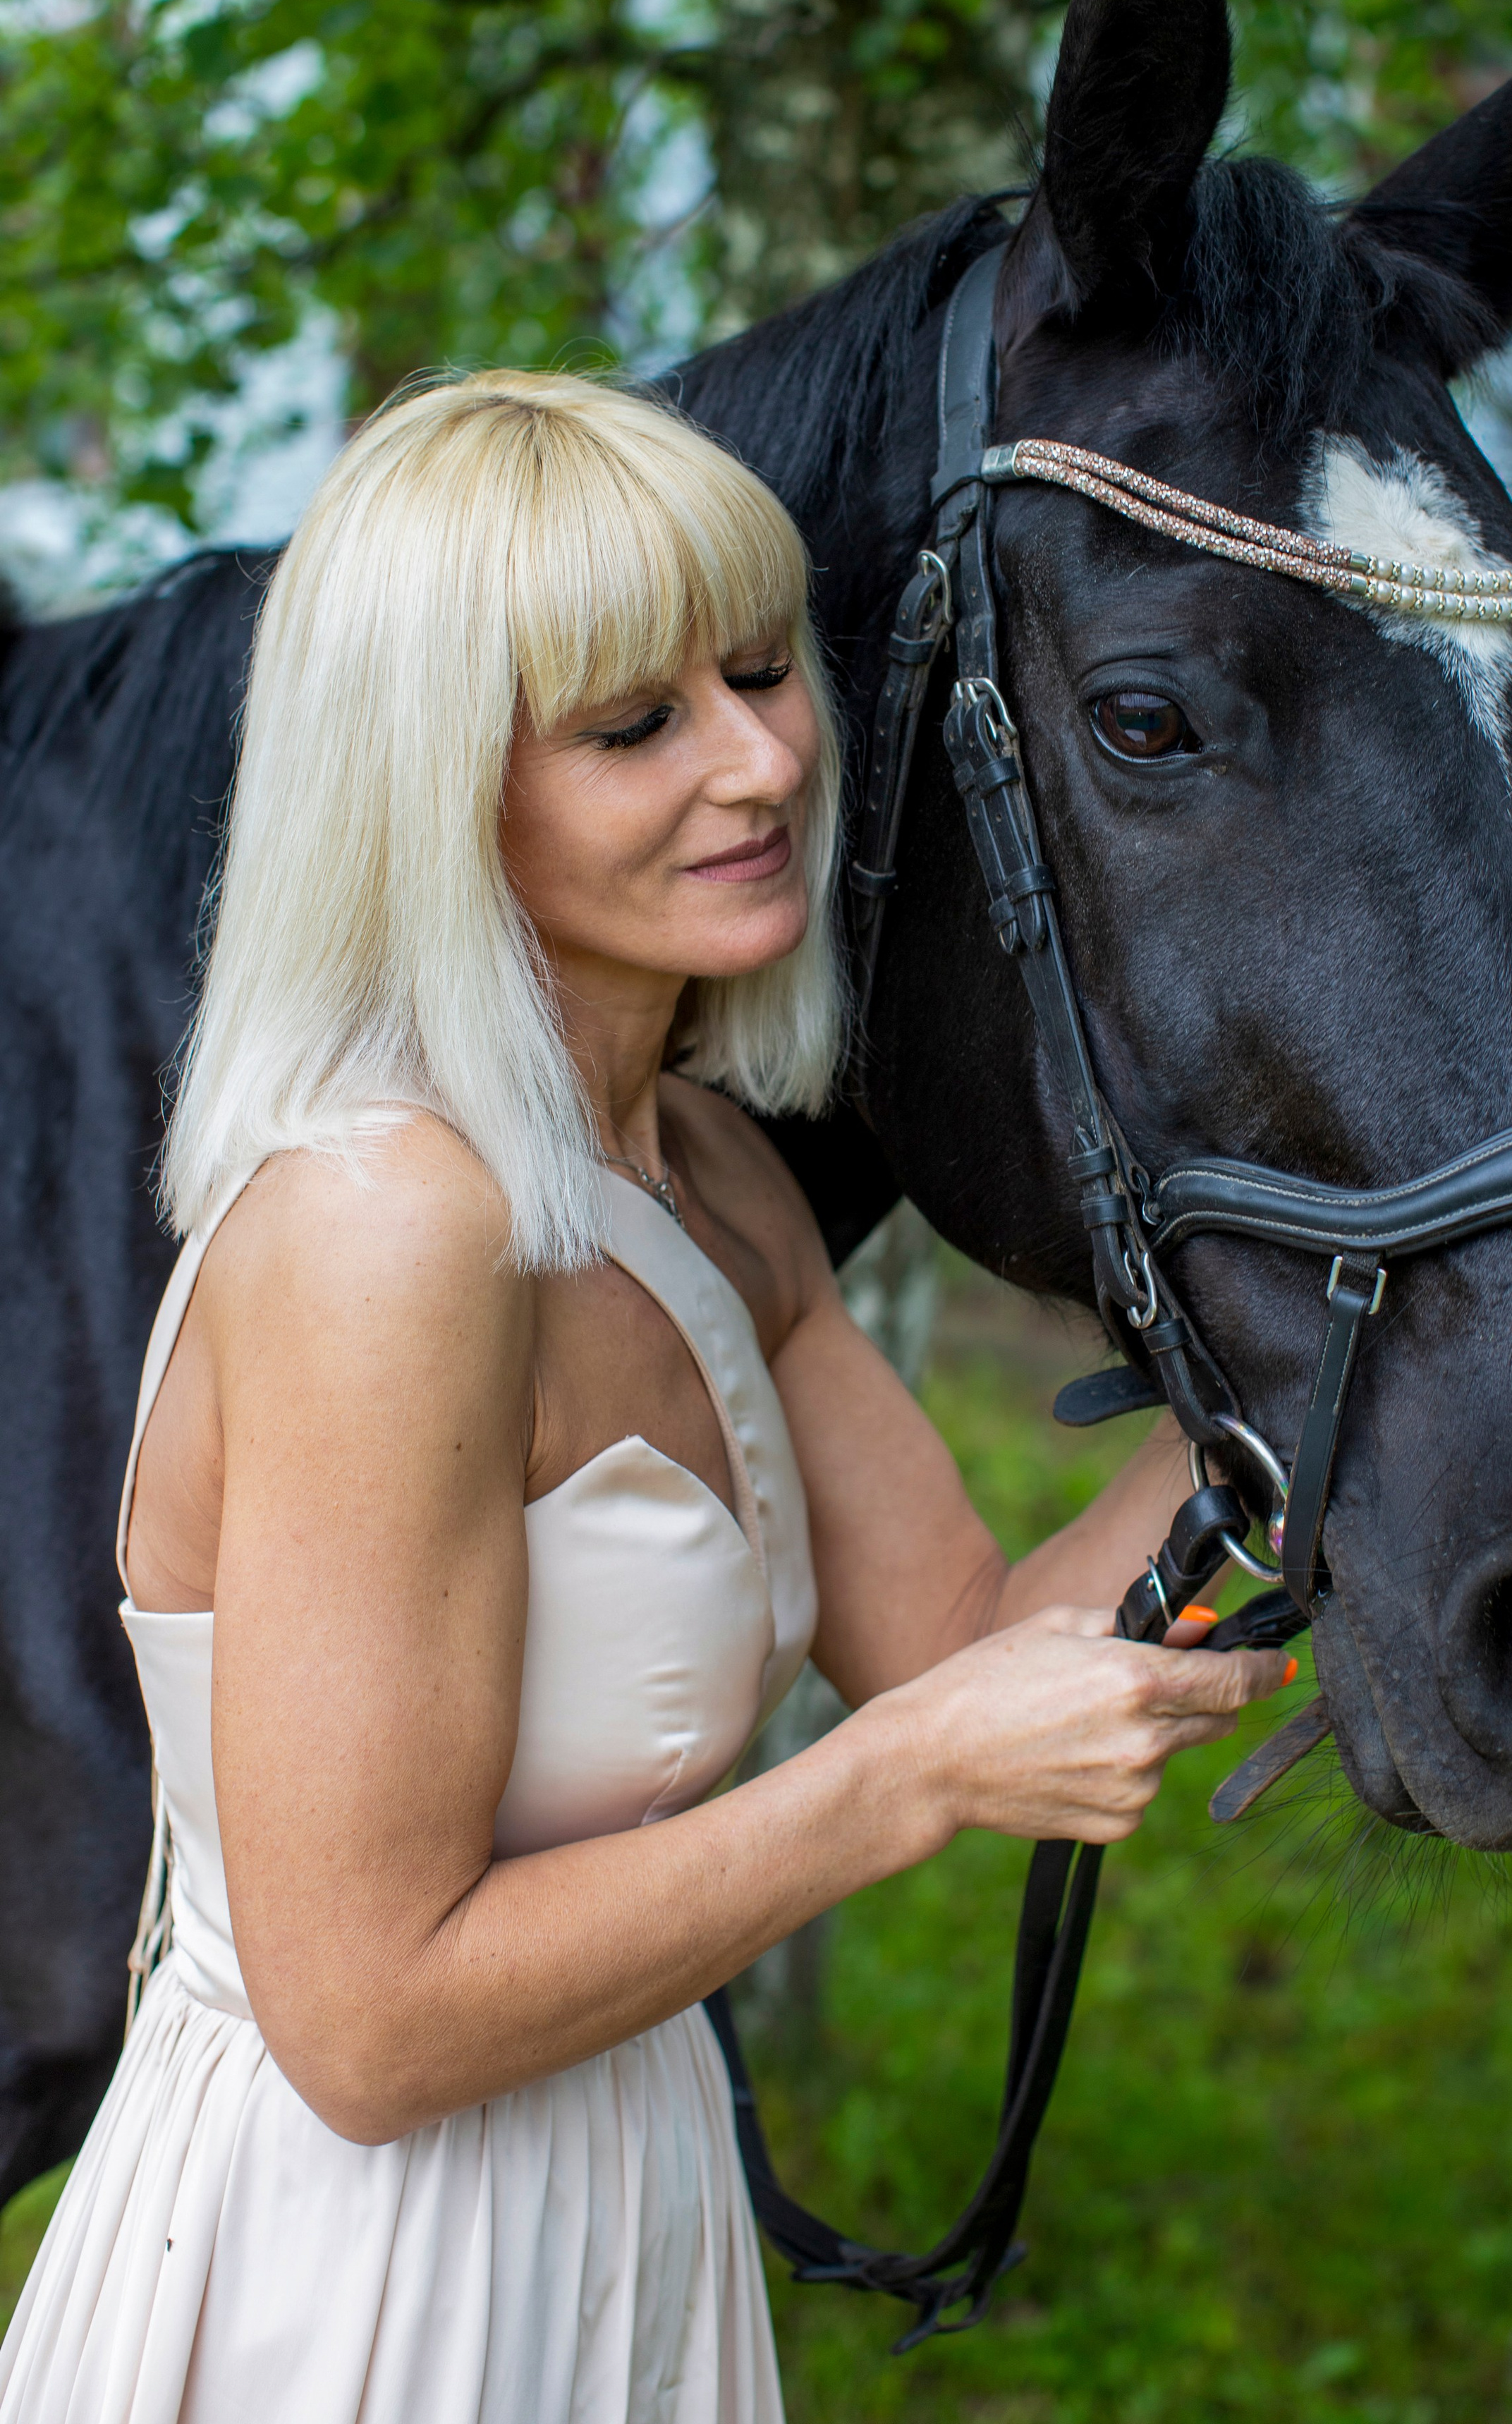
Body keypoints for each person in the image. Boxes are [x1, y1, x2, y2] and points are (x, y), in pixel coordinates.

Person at [0, 373, 1288, 2424]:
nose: (761, 760)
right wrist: (903, 1784)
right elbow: (369, 2024)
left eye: (761, 672)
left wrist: (1317, 1340)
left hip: (625, 2184)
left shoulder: (709, 1172)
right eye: (632, 727)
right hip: (362, 2275)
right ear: (429, 787)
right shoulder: (387, 1231)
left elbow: (965, 1641)